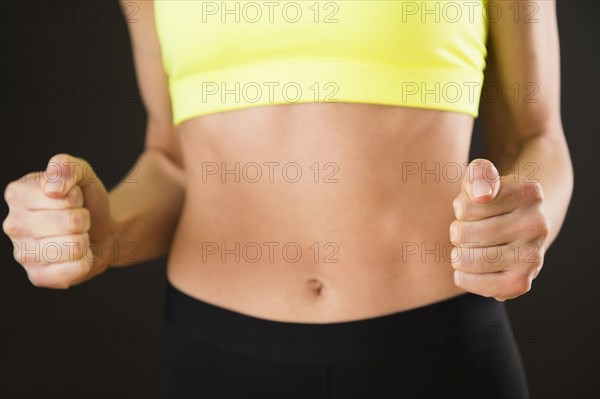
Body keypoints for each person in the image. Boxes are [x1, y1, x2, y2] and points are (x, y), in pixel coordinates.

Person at [3, 1, 572, 398]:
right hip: (217, 356)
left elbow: (535, 138)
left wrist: (528, 217)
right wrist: (104, 231)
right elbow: (173, 160)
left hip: (441, 347)